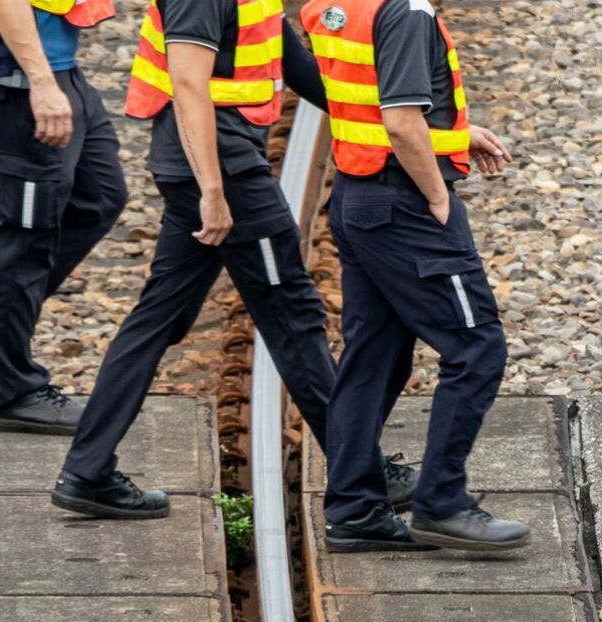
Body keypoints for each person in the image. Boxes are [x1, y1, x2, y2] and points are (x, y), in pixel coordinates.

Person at [52, 0, 415, 518]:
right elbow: (188, 85)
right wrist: (213, 191)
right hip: (220, 173)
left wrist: (403, 118)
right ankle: (362, 471)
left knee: (159, 318)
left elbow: (304, 72)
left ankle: (86, 471)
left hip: (208, 169)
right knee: (292, 316)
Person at [300, 0, 529, 552]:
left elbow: (366, 99)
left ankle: (354, 508)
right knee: (477, 346)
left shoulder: (333, 5)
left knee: (373, 356)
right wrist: (437, 197)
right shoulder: (406, 13)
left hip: (358, 197)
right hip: (403, 203)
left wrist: (454, 132)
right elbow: (401, 123)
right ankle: (442, 502)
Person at [0, 0, 129, 434]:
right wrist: (41, 82)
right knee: (25, 233)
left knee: (99, 196)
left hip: (58, 67)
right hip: (20, 76)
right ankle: (13, 390)